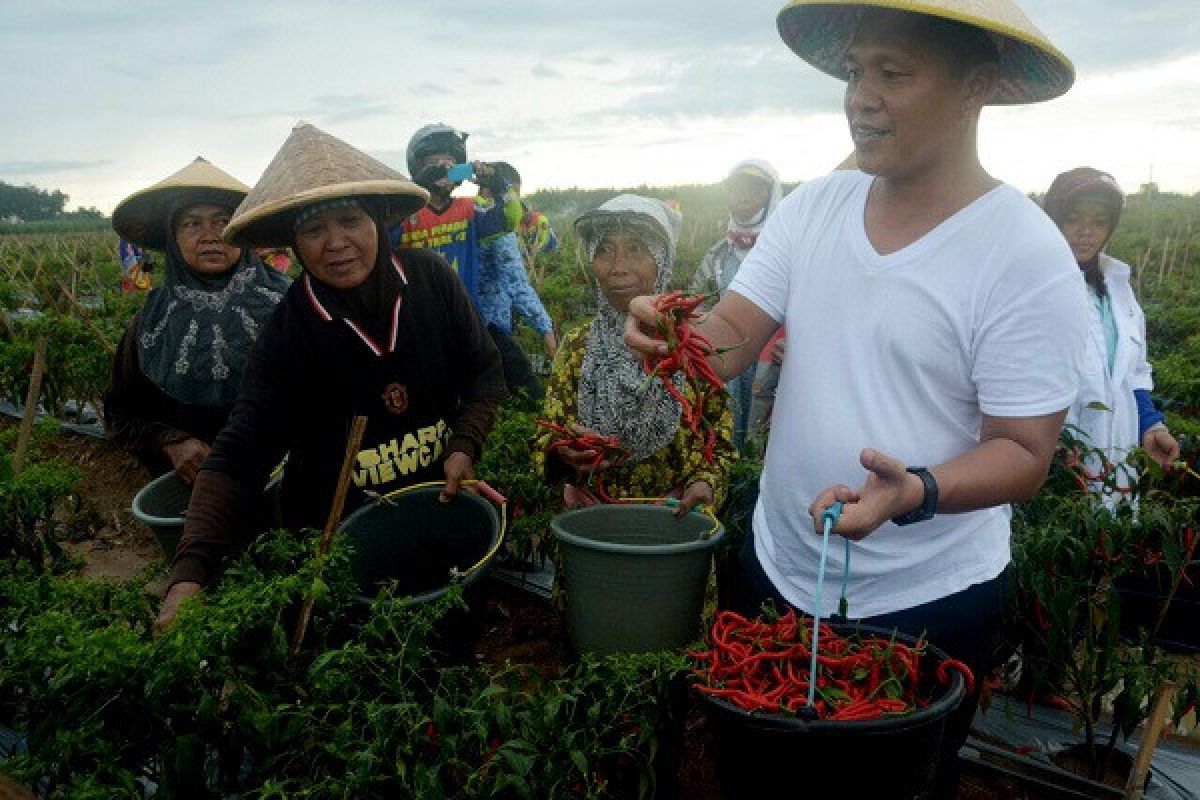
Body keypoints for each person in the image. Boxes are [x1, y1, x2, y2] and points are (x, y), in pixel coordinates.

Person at [624, 2, 1086, 796]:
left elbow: (1023, 452)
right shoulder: (814, 208)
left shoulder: (1023, 252)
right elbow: (732, 334)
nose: (861, 96)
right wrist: (679, 338)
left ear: (977, 84)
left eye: (894, 73)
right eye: (855, 71)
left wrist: (921, 490)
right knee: (761, 776)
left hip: (926, 599)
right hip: (776, 568)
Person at [155, 122, 506, 629]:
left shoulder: (431, 282)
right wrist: (189, 574)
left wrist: (464, 444)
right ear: (294, 242)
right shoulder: (289, 330)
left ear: (380, 221)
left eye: (349, 220)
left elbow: (484, 373)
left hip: (436, 505)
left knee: (447, 638)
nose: (335, 243)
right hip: (338, 539)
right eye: (314, 230)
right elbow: (240, 452)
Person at [533, 194, 736, 512]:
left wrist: (705, 482)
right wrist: (561, 455)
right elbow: (548, 434)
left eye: (635, 250)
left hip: (673, 525)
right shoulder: (576, 348)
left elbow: (720, 441)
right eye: (604, 251)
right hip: (595, 524)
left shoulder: (691, 345)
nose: (617, 268)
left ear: (662, 259)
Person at [105, 158, 290, 482]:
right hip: (194, 492)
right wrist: (172, 443)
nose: (210, 236)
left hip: (291, 484)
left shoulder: (290, 302)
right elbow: (121, 413)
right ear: (172, 238)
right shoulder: (151, 322)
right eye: (192, 223)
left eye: (223, 221)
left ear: (241, 230)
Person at [1043, 167, 1181, 495]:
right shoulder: (1034, 288)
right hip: (1054, 457)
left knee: (1109, 531)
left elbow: (1133, 371)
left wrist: (1151, 425)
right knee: (1057, 534)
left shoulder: (1118, 288)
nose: (1086, 232)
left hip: (1116, 456)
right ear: (1053, 220)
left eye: (1099, 221)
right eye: (1074, 218)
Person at [691, 160, 783, 451]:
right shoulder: (718, 256)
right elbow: (697, 304)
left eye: (753, 189)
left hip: (774, 367)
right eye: (736, 189)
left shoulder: (785, 252)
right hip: (725, 362)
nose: (743, 198)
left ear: (769, 196)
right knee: (726, 431)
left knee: (765, 439)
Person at [391, 123, 522, 305]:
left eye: (451, 168)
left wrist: (499, 186)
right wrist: (415, 186)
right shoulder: (404, 213)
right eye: (436, 167)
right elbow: (380, 237)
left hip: (463, 310)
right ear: (419, 169)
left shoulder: (469, 209)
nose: (444, 172)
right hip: (416, 312)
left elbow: (509, 220)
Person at [474, 161, 558, 404]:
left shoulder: (468, 214)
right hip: (489, 320)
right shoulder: (497, 223)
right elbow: (516, 283)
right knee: (524, 388)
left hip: (462, 315)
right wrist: (546, 328)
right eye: (512, 193)